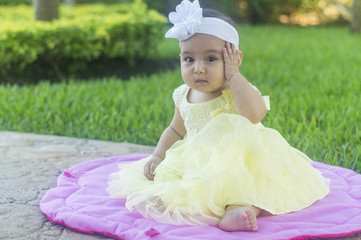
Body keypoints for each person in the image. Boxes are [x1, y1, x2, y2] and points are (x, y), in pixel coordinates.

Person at [107, 0, 330, 232]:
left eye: (211, 59)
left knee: (253, 184)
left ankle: (240, 211)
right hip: (199, 160)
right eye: (189, 59)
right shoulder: (184, 95)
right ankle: (218, 205)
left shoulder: (235, 90)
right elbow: (175, 129)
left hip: (242, 156)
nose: (198, 68)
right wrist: (158, 155)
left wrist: (234, 77)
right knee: (180, 188)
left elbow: (254, 115)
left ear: (235, 59)